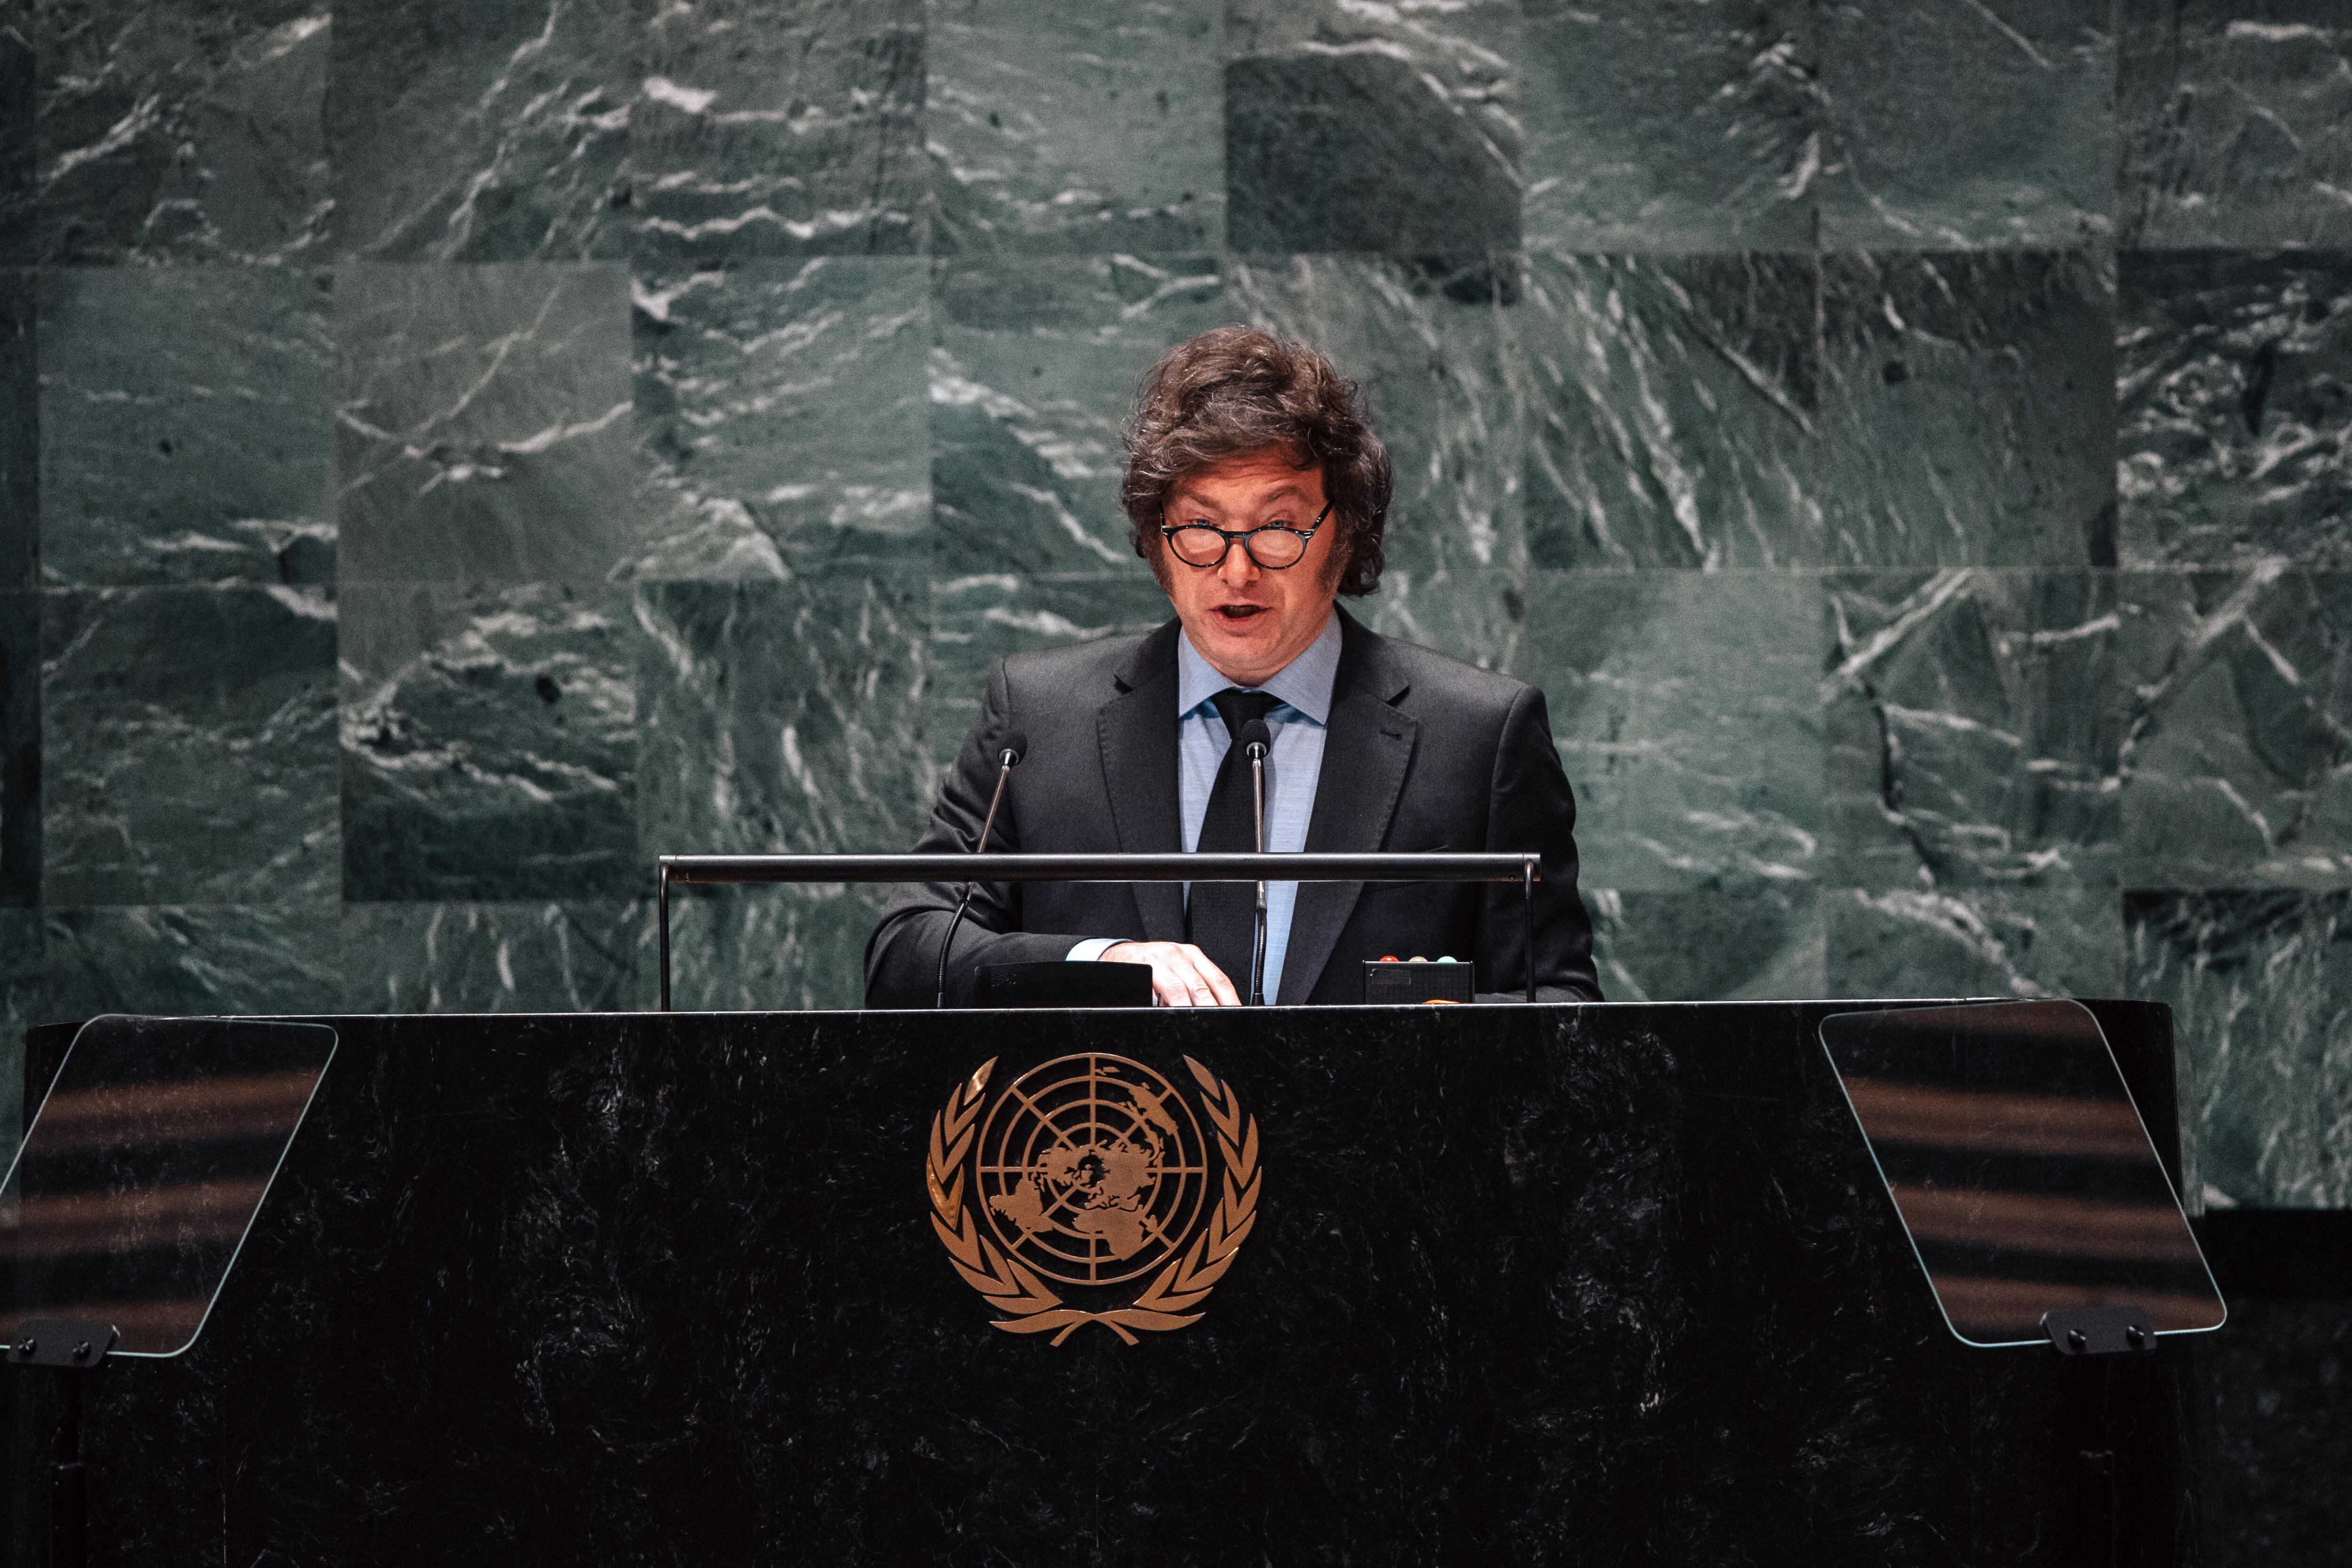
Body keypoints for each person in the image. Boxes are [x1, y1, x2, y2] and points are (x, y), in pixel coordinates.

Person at [865, 327, 1600, 1007]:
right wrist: (1101, 960)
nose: (1236, 569)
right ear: (1158, 538)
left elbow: (1561, 1008)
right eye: (1200, 528)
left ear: (1345, 533)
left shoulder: (1478, 735)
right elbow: (909, 953)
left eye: (1278, 527)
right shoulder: (1038, 716)